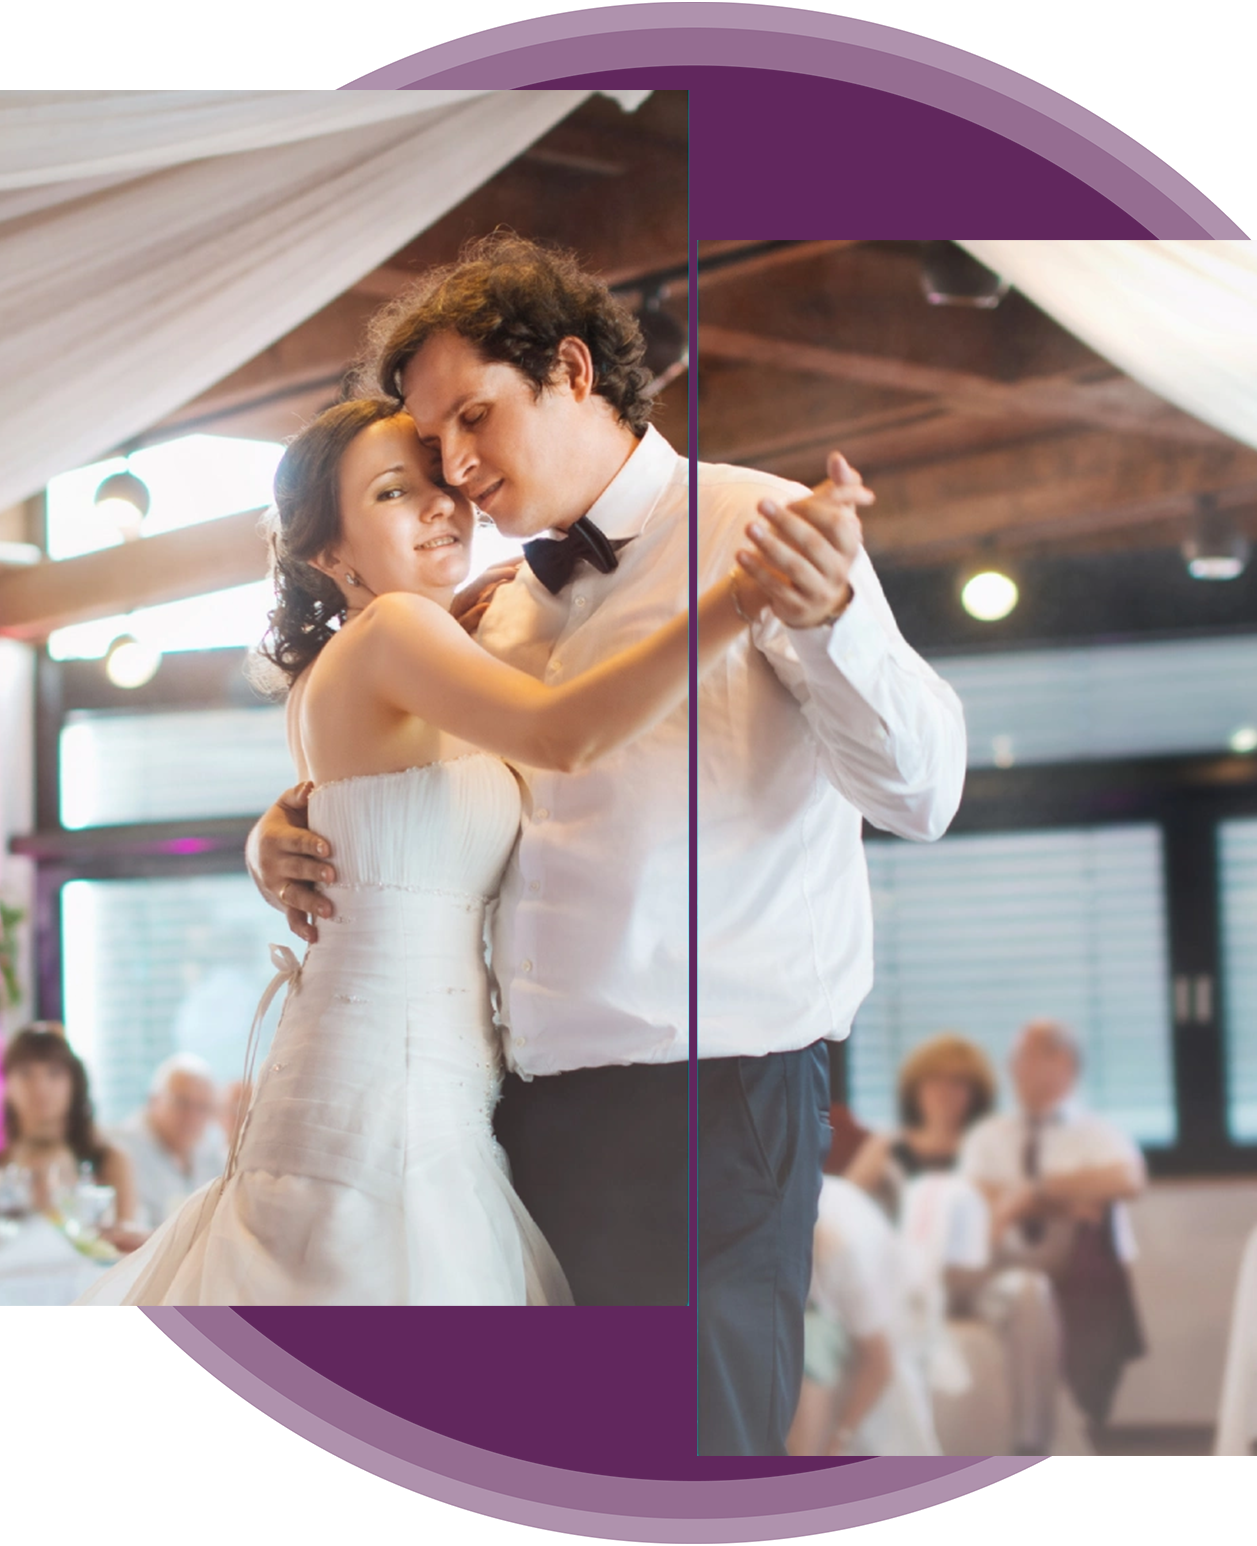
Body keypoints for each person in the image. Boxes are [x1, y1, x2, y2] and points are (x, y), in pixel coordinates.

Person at [247, 238, 966, 1425]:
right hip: (513, 1110)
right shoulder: (493, 607)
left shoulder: (765, 528)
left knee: (693, 1469)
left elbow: (923, 792)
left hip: (712, 1101)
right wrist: (285, 827)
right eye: (434, 448)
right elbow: (416, 784)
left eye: (476, 419)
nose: (459, 469)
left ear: (572, 370)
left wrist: (832, 615)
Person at [78, 392, 793, 1308]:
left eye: (438, 482)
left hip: (385, 1079)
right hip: (392, 1096)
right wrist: (742, 595)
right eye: (391, 493)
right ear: (329, 553)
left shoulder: (385, 650)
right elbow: (567, 735)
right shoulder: (394, 632)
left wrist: (273, 832)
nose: (440, 504)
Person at [958, 1018, 1149, 1450]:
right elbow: (976, 1194)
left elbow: (1126, 1179)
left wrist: (1033, 1192)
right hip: (1001, 1263)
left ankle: (1065, 1439)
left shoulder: (1097, 1133)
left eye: (1024, 1056)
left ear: (1060, 1063)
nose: (1013, 1067)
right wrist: (1064, 1198)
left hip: (1079, 1269)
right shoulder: (989, 1135)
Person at [787, 1175, 939, 1456]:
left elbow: (879, 1362)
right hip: (812, 1294)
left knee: (810, 1349)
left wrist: (837, 1442)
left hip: (873, 1304)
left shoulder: (847, 1251)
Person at [0, 1025, 141, 1251]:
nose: (40, 1087)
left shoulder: (110, 1161)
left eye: (54, 1073)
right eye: (26, 1073)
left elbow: (125, 1249)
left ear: (74, 1082)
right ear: (6, 1084)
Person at [845, 1033, 997, 1217]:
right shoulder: (887, 1147)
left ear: (976, 1093)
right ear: (915, 1088)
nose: (944, 1092)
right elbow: (846, 1202)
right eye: (934, 1080)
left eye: (957, 1082)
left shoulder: (987, 1150)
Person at [115, 1053, 228, 1228]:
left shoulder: (212, 1155)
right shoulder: (120, 1152)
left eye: (203, 1108)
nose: (192, 1117)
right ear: (153, 1100)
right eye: (182, 1103)